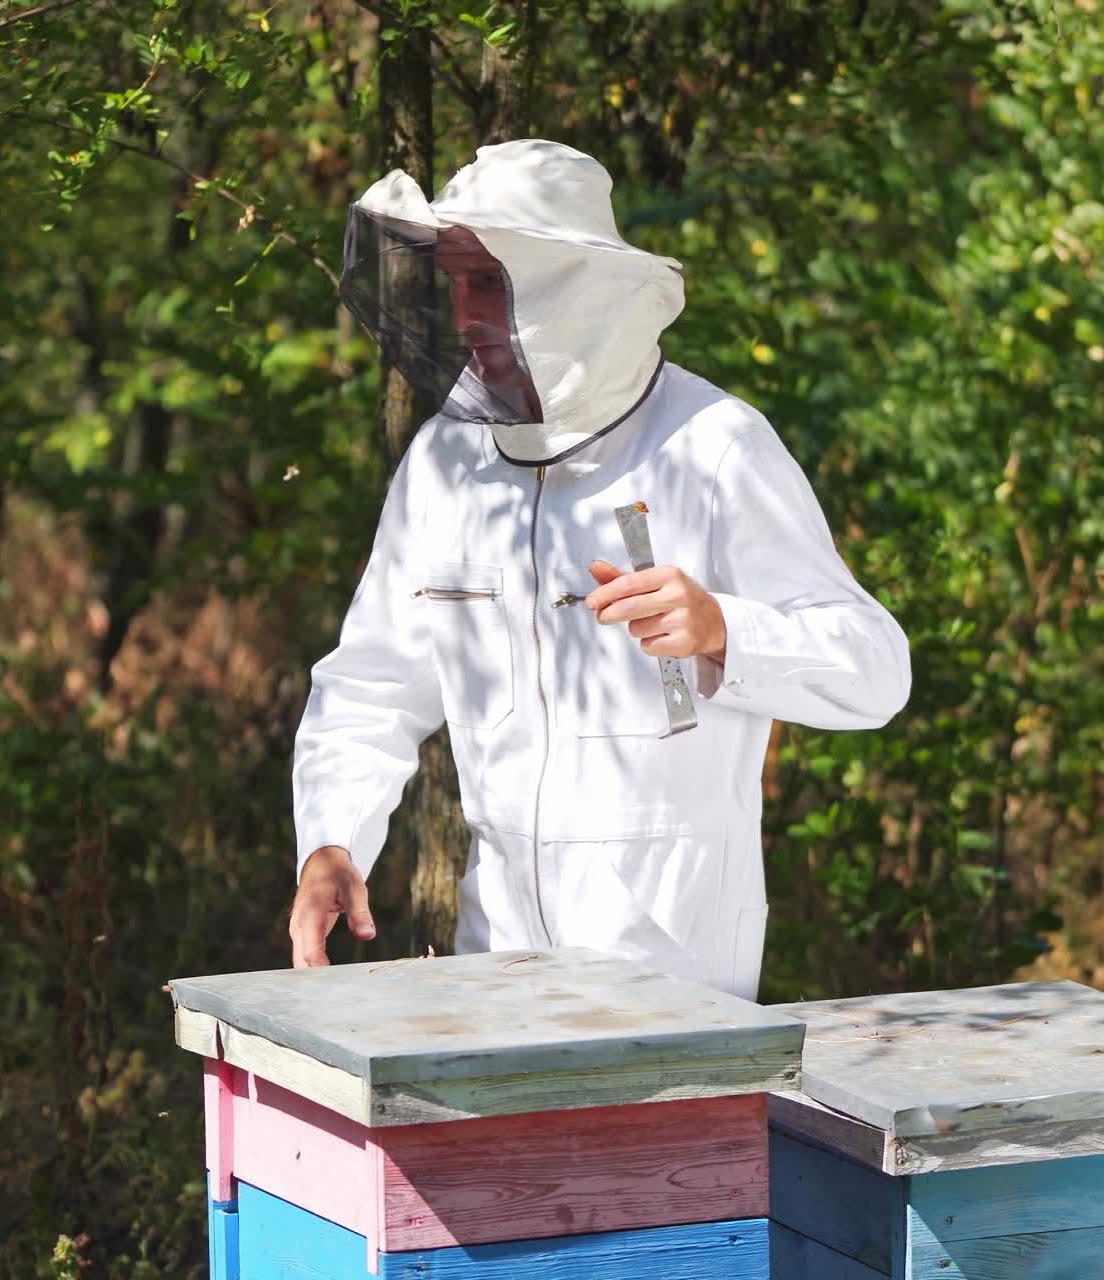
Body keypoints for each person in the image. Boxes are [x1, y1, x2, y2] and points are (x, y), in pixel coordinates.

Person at [288, 139, 911, 998]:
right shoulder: (447, 460)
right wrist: (331, 841)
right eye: (457, 281)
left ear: (568, 288)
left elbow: (876, 670)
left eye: (487, 282)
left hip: (678, 969)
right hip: (497, 961)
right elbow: (372, 686)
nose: (464, 312)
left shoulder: (714, 446)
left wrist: (725, 630)